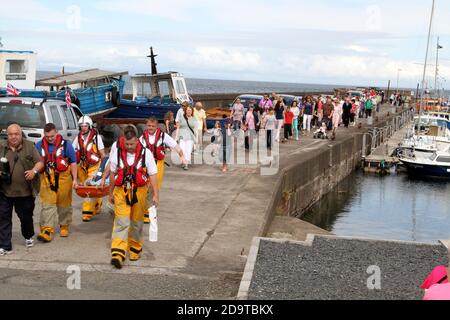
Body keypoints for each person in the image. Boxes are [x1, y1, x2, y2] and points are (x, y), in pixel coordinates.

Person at [109, 126, 159, 269]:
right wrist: (110, 192)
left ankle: (135, 249)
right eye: (126, 144)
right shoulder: (117, 153)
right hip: (121, 192)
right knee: (122, 222)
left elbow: (153, 175)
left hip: (140, 192)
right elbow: (112, 174)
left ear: (137, 141)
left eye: (131, 144)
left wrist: (155, 195)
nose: (129, 147)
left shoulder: (146, 154)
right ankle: (118, 254)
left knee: (136, 224)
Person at [0, 124, 43, 255]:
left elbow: (40, 162)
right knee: (3, 217)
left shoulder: (29, 146)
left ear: (20, 134)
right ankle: (5, 245)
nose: (13, 137)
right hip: (4, 191)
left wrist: (34, 171)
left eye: (16, 134)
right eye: (11, 134)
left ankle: (28, 235)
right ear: (7, 135)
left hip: (25, 192)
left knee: (25, 217)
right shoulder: (1, 146)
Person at [35, 123, 78, 242]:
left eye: (52, 136)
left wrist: (75, 179)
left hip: (64, 179)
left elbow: (73, 162)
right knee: (47, 205)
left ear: (57, 133)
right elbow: (36, 163)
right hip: (46, 178)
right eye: (47, 136)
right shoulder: (39, 145)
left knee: (64, 205)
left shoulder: (66, 145)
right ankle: (47, 230)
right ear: (44, 134)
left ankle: (64, 225)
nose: (50, 139)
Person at [140, 117, 187, 223]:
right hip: (145, 165)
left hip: (158, 165)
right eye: (149, 126)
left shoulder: (162, 136)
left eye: (153, 126)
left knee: (153, 187)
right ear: (146, 126)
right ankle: (144, 209)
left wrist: (182, 157)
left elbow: (175, 145)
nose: (151, 128)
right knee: (144, 187)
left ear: (156, 126)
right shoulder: (142, 138)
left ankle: (150, 212)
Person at [72, 116, 106, 222]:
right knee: (90, 189)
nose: (83, 128)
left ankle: (86, 213)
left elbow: (102, 154)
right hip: (82, 167)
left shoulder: (97, 138)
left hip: (94, 166)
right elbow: (73, 151)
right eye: (82, 126)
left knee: (88, 189)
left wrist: (102, 169)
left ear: (90, 126)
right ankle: (97, 204)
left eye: (86, 126)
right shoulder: (78, 138)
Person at [175, 105, 198, 170]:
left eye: (190, 110)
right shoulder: (181, 118)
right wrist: (176, 137)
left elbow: (196, 130)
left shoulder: (194, 119)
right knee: (182, 149)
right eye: (188, 110)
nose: (189, 111)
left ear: (192, 111)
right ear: (185, 111)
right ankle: (183, 161)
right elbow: (178, 128)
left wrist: (196, 138)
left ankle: (186, 164)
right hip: (182, 136)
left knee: (188, 150)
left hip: (190, 137)